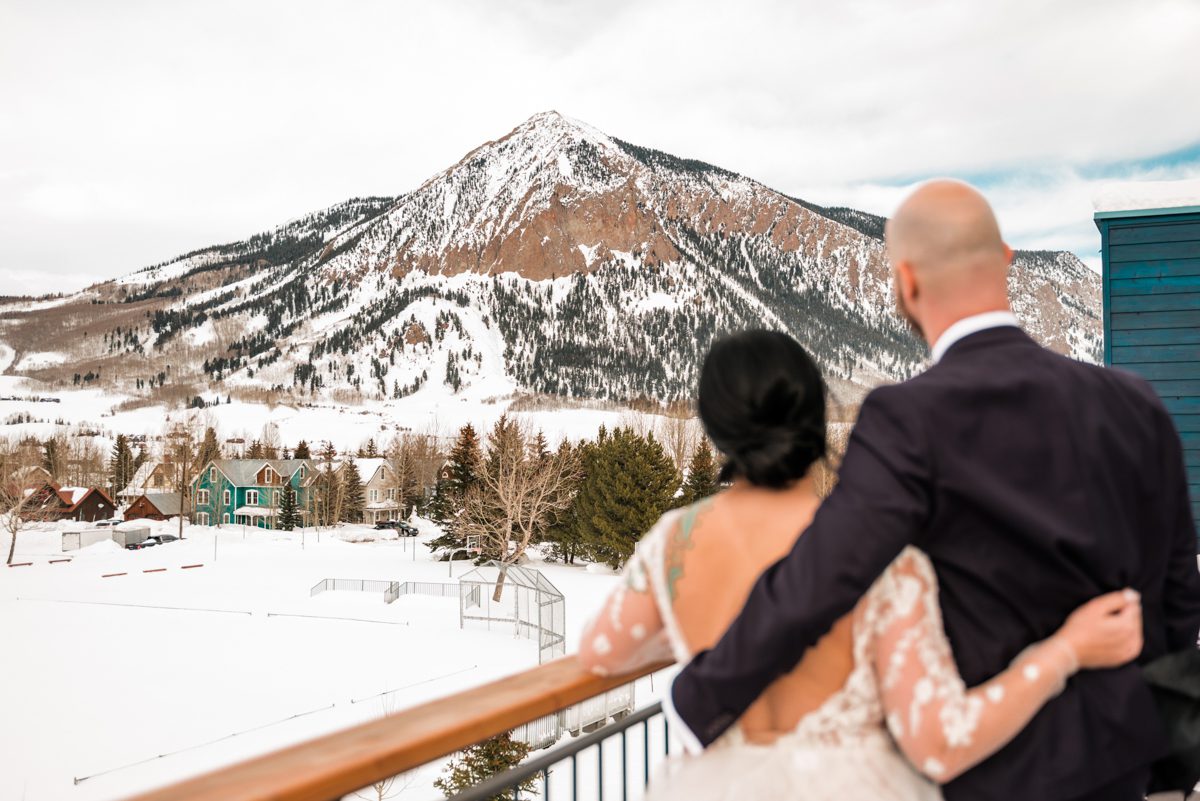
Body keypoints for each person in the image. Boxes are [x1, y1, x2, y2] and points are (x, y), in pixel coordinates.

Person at [656, 180, 1200, 801]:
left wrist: (700, 697)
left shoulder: (908, 419)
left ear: (906, 284)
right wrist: (1173, 771)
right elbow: (1178, 589)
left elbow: (822, 575)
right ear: (1007, 261)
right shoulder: (1135, 403)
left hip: (995, 771)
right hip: (1121, 760)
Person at [580, 329, 1145, 800]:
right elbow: (941, 742)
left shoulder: (672, 541)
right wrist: (1064, 651)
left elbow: (603, 651)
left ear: (716, 427)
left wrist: (695, 626)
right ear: (815, 417)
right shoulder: (877, 556)